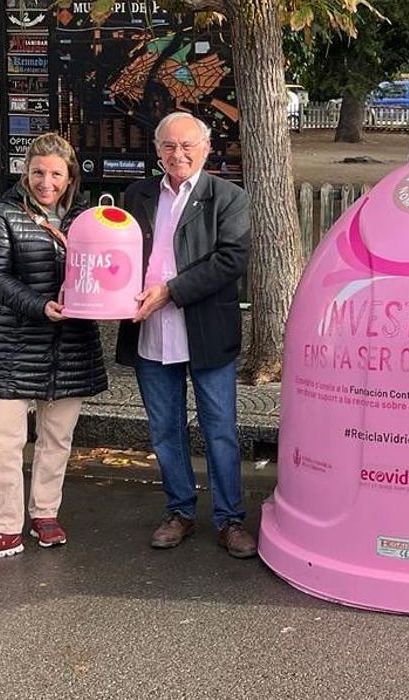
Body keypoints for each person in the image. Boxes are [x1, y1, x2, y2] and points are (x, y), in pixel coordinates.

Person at [0, 133, 108, 565]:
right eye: (38, 172)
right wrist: (41, 306)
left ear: (70, 176)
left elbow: (107, 269)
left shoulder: (86, 219)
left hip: (72, 345)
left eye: (56, 174)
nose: (46, 181)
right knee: (1, 436)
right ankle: (4, 529)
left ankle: (45, 514)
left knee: (56, 438)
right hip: (15, 343)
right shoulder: (2, 214)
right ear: (26, 172)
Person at [115, 112, 255, 558]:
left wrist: (171, 292)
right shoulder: (136, 195)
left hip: (206, 332)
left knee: (220, 430)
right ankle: (179, 510)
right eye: (169, 146)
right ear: (157, 150)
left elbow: (231, 260)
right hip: (149, 332)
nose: (178, 154)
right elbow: (117, 254)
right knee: (164, 430)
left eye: (187, 145)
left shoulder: (228, 198)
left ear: (206, 148)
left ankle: (230, 519)